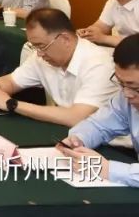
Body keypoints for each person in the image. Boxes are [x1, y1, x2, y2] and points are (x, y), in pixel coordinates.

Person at [0, 8, 116, 126]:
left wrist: (12, 104)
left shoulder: (99, 64)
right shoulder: (42, 56)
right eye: (35, 46)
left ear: (65, 39)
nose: (39, 53)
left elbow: (77, 117)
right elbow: (11, 82)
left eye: (41, 46)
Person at [59, 33, 139, 187]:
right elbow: (99, 125)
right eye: (121, 83)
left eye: (135, 87)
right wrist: (78, 139)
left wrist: (107, 169)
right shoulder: (125, 97)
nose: (126, 94)